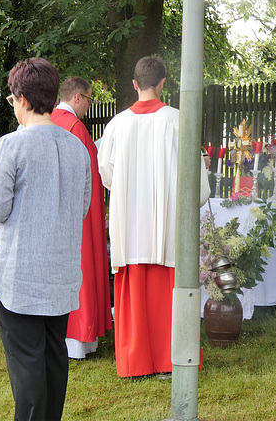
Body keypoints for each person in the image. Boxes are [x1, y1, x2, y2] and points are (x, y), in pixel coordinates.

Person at [0, 58, 91, 421]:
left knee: (28, 365)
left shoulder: (11, 145)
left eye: (13, 99)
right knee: (54, 359)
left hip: (21, 275)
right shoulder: (77, 145)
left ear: (23, 99)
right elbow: (83, 206)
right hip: (60, 271)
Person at [97, 55, 210, 378]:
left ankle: (135, 362)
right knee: (169, 291)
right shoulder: (178, 120)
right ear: (163, 84)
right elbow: (196, 181)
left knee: (133, 289)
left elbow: (107, 174)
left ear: (135, 84)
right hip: (167, 224)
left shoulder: (116, 125)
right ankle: (170, 360)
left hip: (130, 222)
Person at [51, 76, 112, 359]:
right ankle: (78, 339)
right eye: (89, 99)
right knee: (82, 267)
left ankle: (60, 335)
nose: (89, 106)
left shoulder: (46, 121)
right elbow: (89, 176)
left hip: (52, 213)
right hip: (78, 213)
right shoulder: (75, 128)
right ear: (77, 97)